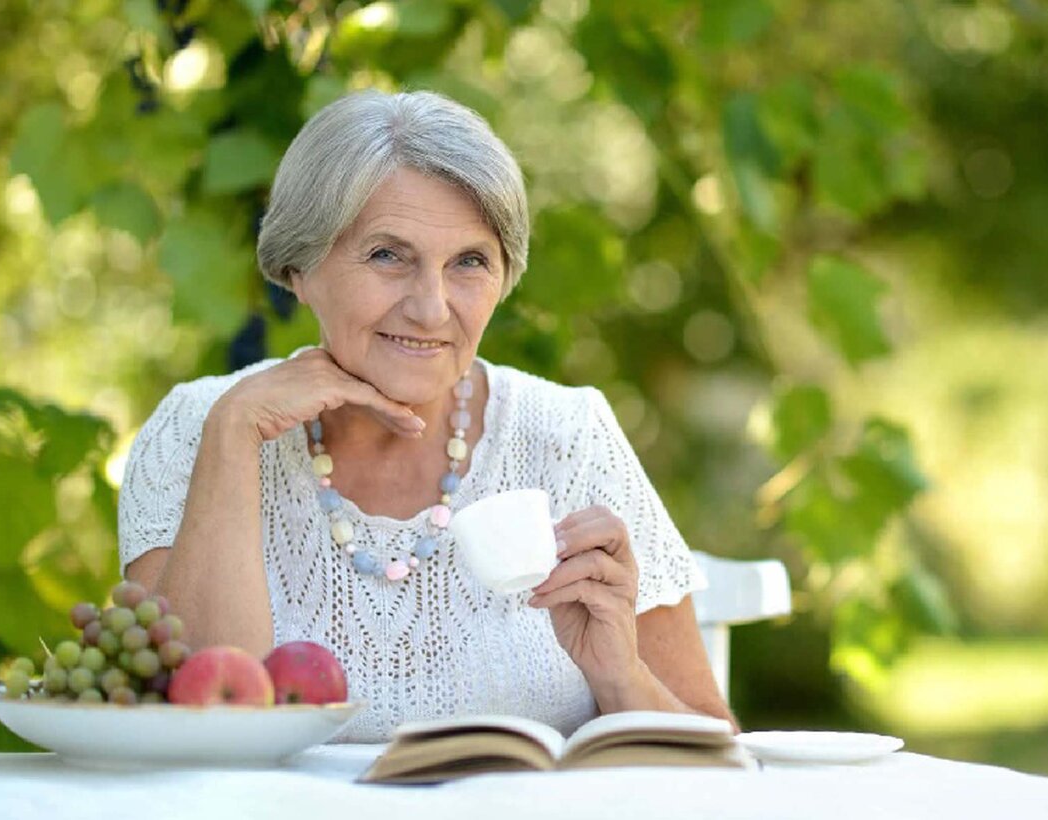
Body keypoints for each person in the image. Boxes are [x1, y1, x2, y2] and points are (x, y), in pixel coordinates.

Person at [118, 89, 736, 741]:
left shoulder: (568, 435)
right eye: (389, 255)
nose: (432, 307)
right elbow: (193, 734)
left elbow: (720, 762)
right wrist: (233, 435)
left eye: (469, 262)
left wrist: (621, 676)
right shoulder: (199, 425)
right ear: (298, 267)